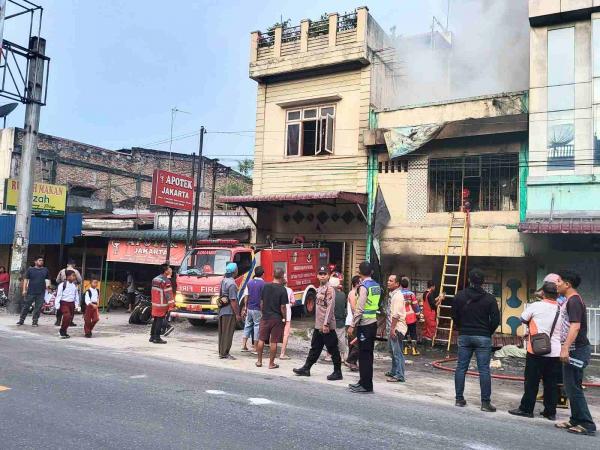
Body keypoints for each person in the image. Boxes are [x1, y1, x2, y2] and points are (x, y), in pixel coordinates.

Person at [508, 281, 562, 420]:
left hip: (536, 349)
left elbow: (523, 318)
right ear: (556, 295)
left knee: (532, 381)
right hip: (555, 351)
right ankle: (550, 412)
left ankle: (527, 409)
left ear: (543, 293)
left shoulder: (536, 305)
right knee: (551, 383)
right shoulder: (561, 309)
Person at [452, 268, 500, 412]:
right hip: (483, 337)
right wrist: (487, 332)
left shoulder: (459, 296)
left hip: (465, 336)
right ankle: (485, 403)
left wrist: (462, 328)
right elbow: (496, 320)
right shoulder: (490, 299)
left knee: (461, 367)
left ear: (469, 280)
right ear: (483, 282)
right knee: (484, 370)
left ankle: (459, 399)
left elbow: (454, 315)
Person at [555, 270, 596, 436]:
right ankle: (575, 419)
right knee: (570, 386)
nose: (556, 284)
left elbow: (575, 326)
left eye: (559, 281)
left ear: (567, 284)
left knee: (574, 387)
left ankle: (587, 423)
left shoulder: (574, 301)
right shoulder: (569, 300)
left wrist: (565, 348)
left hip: (576, 350)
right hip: (572, 350)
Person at [293, 266, 343, 381]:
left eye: (324, 274)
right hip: (318, 325)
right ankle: (306, 368)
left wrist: (326, 324)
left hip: (327, 326)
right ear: (317, 276)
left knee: (332, 348)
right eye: (320, 274)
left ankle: (337, 372)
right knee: (315, 347)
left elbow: (330, 308)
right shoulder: (319, 288)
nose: (322, 276)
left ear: (328, 275)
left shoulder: (329, 289)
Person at [347, 261, 380, 394]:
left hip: (365, 324)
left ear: (359, 273)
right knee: (368, 355)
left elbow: (359, 309)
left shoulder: (363, 287)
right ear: (371, 272)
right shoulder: (376, 285)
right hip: (373, 323)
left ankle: (365, 385)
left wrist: (352, 325)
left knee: (364, 356)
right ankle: (364, 382)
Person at [256, 267, 288, 369]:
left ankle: (259, 361)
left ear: (273, 275)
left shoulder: (265, 286)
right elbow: (283, 307)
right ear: (282, 276)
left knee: (261, 339)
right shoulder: (283, 289)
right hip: (276, 318)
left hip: (265, 317)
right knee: (273, 342)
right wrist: (284, 317)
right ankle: (271, 364)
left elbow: (261, 302)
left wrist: (263, 312)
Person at [385, 274, 407, 382]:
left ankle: (400, 375)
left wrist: (393, 329)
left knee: (397, 352)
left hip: (397, 328)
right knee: (393, 351)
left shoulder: (397, 296)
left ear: (397, 284)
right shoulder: (393, 295)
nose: (388, 282)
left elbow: (396, 315)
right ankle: (394, 371)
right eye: (388, 280)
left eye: (391, 281)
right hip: (392, 327)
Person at [17, 256, 50, 327]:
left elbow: (47, 279)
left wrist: (48, 287)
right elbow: (26, 280)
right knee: (26, 306)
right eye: (39, 260)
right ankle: (21, 320)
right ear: (35, 262)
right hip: (31, 291)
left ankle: (35, 321)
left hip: (41, 292)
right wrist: (24, 289)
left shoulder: (45, 270)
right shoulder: (30, 270)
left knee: (38, 308)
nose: (41, 261)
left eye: (42, 260)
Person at [217, 262, 241, 359]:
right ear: (235, 271)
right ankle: (225, 353)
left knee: (222, 333)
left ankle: (221, 352)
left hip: (222, 310)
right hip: (229, 312)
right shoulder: (232, 284)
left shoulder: (224, 280)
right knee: (228, 333)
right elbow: (233, 301)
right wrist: (237, 314)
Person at [241, 266, 265, 353]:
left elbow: (246, 296)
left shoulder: (249, 283)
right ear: (262, 274)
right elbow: (263, 299)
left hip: (249, 308)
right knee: (257, 327)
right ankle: (255, 348)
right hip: (258, 309)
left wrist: (245, 307)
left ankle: (243, 345)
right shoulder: (263, 284)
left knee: (247, 325)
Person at [150, 264, 174, 344]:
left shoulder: (155, 279)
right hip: (162, 304)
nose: (171, 270)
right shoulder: (166, 281)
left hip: (155, 303)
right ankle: (157, 338)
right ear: (166, 271)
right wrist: (171, 305)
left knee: (156, 319)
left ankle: (152, 336)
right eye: (169, 269)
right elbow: (168, 294)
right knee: (160, 320)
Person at [54, 270, 81, 339]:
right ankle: (61, 331)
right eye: (73, 276)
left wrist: (77, 305)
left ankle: (64, 331)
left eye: (75, 276)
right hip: (64, 303)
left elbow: (76, 296)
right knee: (67, 315)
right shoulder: (62, 285)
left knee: (69, 319)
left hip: (71, 304)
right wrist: (57, 305)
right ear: (68, 276)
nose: (74, 277)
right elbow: (58, 295)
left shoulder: (74, 286)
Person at [55, 260, 82, 326]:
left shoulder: (62, 271)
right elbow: (80, 280)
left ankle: (58, 321)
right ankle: (69, 322)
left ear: (67, 264)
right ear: (74, 265)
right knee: (71, 310)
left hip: (62, 290)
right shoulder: (76, 271)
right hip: (73, 288)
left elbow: (57, 280)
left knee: (60, 309)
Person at [401, 277, 421, 356]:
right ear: (408, 285)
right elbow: (415, 305)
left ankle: (405, 350)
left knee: (405, 333)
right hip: (411, 317)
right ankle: (414, 350)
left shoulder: (398, 294)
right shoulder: (411, 294)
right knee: (413, 333)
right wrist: (418, 314)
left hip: (403, 317)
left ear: (401, 285)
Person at [331, 274, 348, 362]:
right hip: (341, 320)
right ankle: (343, 355)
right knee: (341, 339)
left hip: (331, 321)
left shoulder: (330, 295)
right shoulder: (342, 295)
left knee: (332, 339)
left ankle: (332, 354)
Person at [345, 275, 360, 371]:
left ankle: (352, 363)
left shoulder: (355, 293)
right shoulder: (353, 293)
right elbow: (354, 308)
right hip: (352, 321)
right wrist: (356, 320)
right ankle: (350, 360)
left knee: (352, 343)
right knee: (356, 343)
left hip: (351, 321)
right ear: (356, 283)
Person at [279, 278, 295, 360]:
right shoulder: (289, 290)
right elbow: (293, 302)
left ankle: (272, 350)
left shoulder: (276, 289)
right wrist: (289, 305)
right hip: (287, 314)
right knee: (286, 334)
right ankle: (282, 353)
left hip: (277, 314)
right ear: (286, 283)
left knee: (274, 333)